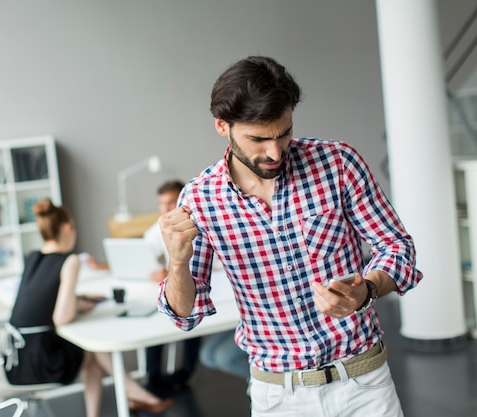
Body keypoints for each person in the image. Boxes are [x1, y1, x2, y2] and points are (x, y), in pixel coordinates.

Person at [157, 56, 423, 417]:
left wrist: (368, 289)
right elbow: (184, 315)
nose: (275, 152)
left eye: (284, 133)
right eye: (258, 139)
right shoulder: (200, 199)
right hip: (279, 397)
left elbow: (397, 248)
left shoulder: (337, 163)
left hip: (364, 386)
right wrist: (177, 262)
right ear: (223, 126)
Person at [3, 198, 173, 417]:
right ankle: (136, 394)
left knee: (91, 355)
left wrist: (77, 300)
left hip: (15, 359)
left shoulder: (33, 257)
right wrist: (79, 305)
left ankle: (125, 399)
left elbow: (43, 300)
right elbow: (61, 318)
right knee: (94, 350)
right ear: (67, 228)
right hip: (40, 364)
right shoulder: (69, 261)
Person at [143, 180, 201, 393]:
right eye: (162, 203)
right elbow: (144, 254)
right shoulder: (159, 228)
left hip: (200, 289)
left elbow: (213, 267)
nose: (166, 209)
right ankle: (153, 377)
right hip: (170, 287)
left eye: (170, 202)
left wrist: (171, 272)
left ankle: (185, 372)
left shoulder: (199, 224)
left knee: (190, 311)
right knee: (156, 316)